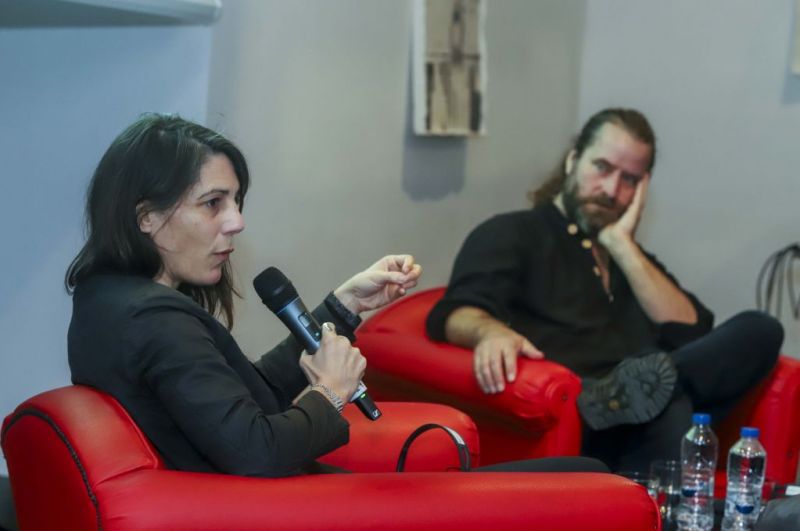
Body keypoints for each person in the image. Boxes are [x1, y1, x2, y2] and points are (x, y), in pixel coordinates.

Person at [66, 113, 606, 478]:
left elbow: (252, 396)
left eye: (236, 201)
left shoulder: (109, 301)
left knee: (572, 473)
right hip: (302, 510)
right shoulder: (155, 319)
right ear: (147, 217)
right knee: (584, 474)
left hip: (292, 499)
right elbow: (257, 451)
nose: (236, 222)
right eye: (213, 204)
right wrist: (330, 392)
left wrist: (344, 308)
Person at [426, 108, 783, 471]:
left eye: (629, 179)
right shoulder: (513, 233)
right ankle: (619, 399)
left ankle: (639, 393)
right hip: (586, 422)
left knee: (761, 329)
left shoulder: (629, 259)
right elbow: (456, 312)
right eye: (602, 167)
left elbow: (693, 333)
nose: (612, 190)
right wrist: (490, 332)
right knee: (670, 408)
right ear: (573, 160)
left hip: (646, 418)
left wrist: (622, 246)